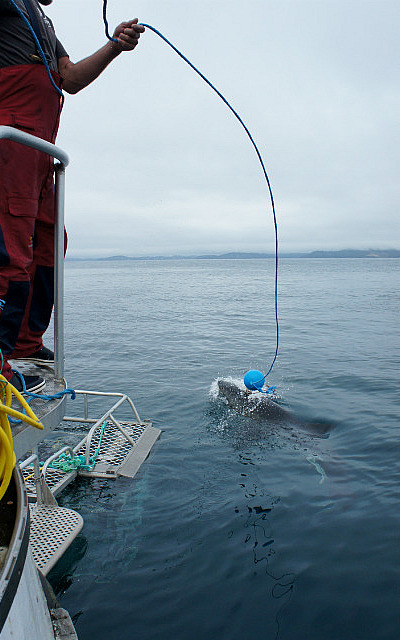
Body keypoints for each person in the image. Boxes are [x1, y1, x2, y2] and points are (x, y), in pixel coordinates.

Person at [0, 0, 144, 392]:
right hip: (11, 139)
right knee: (9, 251)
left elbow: (71, 78)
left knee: (49, 242)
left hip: (40, 150)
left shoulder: (41, 20)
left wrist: (115, 46)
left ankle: (25, 343)